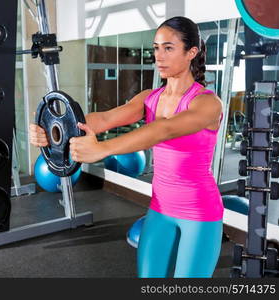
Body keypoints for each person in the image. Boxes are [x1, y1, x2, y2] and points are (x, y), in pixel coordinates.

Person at [30, 16, 224, 278]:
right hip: (160, 210)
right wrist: (55, 131)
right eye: (156, 48)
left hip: (200, 213)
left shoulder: (207, 104)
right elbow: (106, 118)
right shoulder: (150, 98)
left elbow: (162, 130)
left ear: (191, 52)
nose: (159, 56)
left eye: (168, 48)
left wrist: (103, 149)